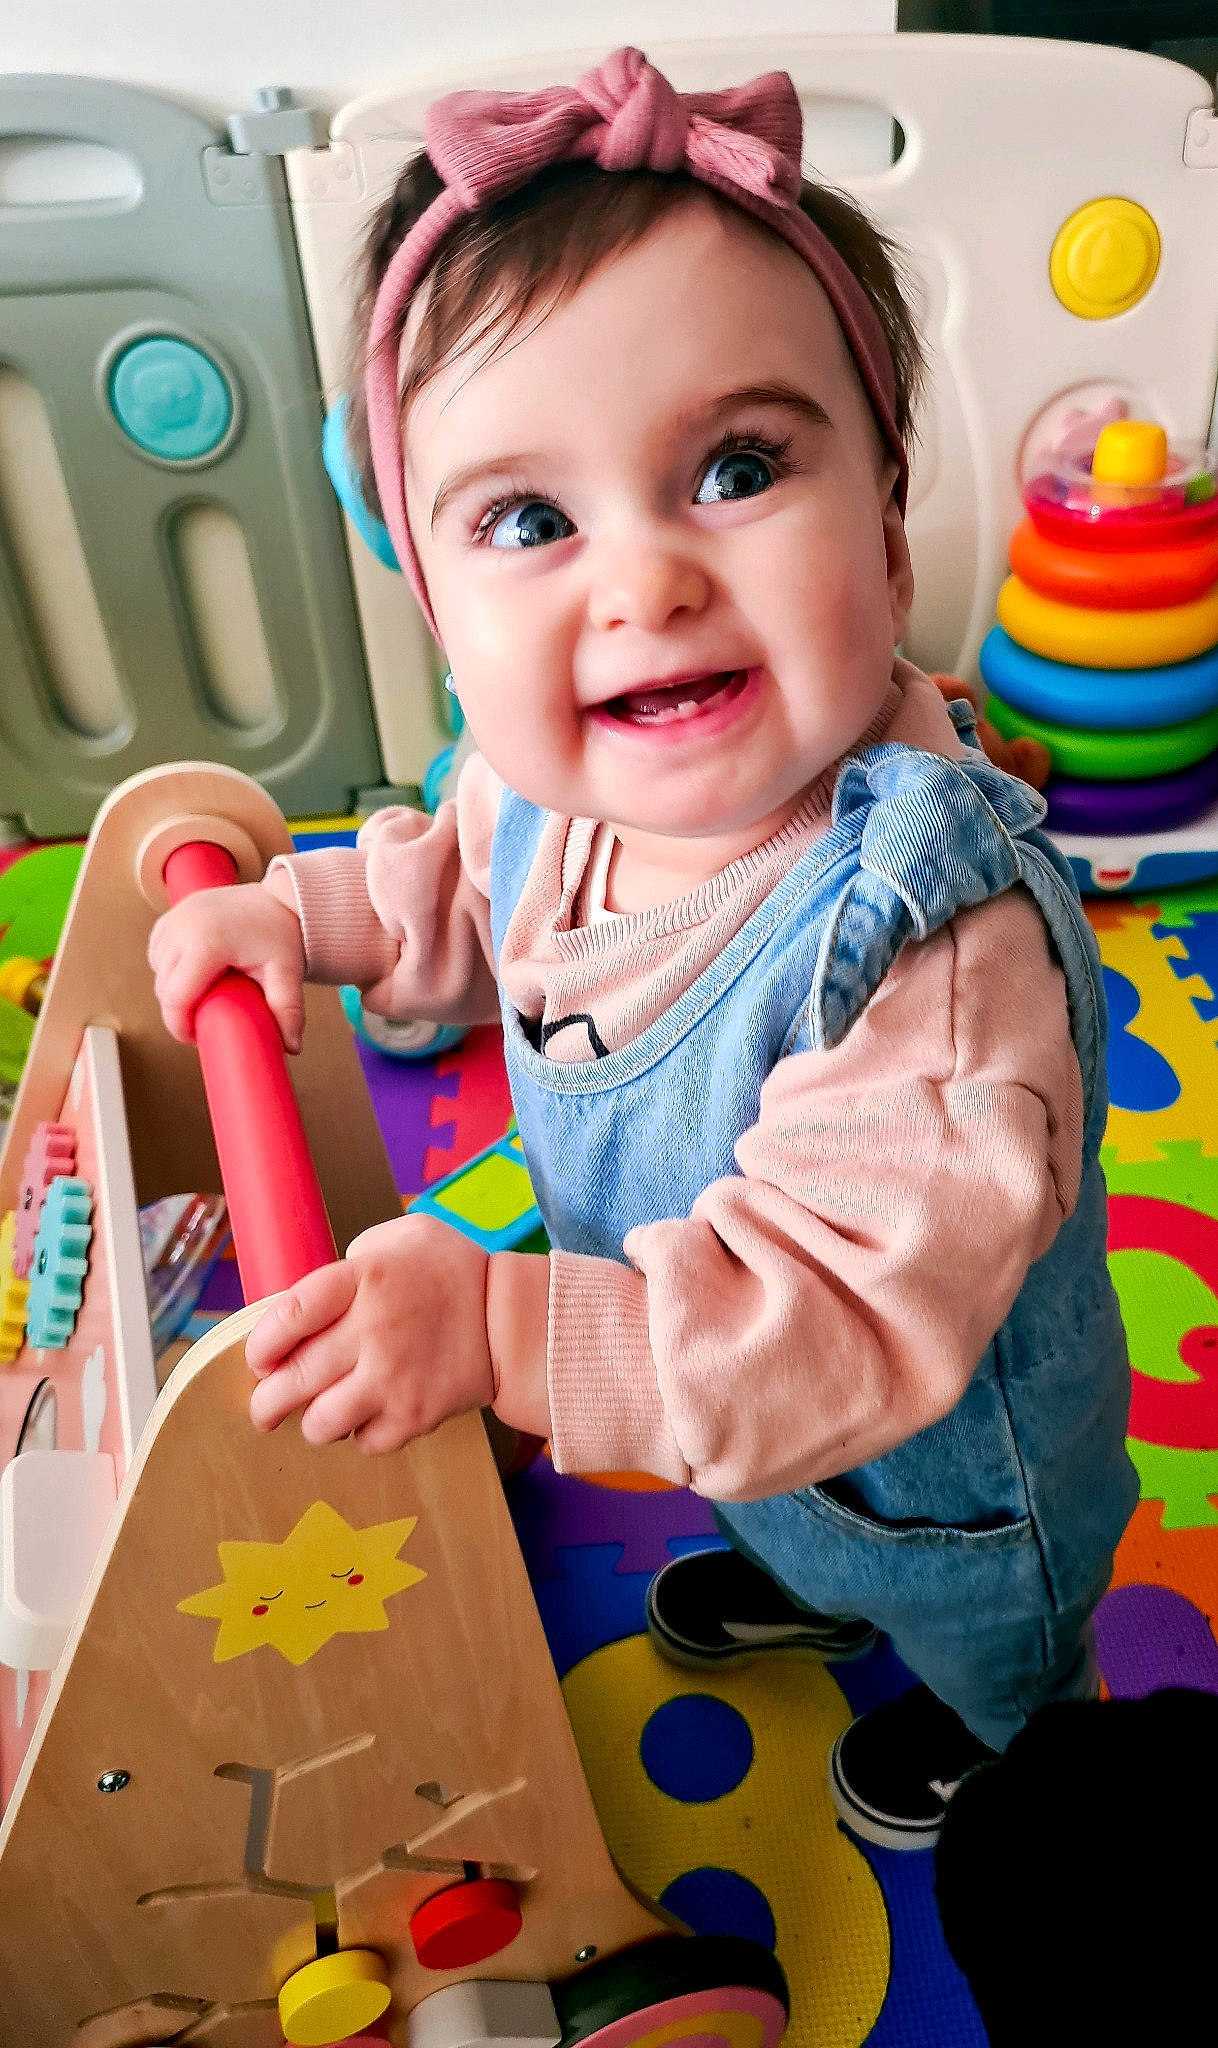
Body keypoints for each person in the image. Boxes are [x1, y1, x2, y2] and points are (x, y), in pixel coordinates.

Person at [148, 47, 1137, 1852]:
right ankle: (813, 1568)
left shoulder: (920, 939)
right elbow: (452, 893)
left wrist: (507, 1322)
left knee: (986, 1623)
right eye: (529, 520)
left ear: (890, 514)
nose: (643, 581)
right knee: (785, 1491)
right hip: (724, 1398)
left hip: (940, 1454)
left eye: (738, 467)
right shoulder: (541, 776)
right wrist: (296, 918)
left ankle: (1020, 1737)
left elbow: (826, 1313)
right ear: (438, 609)